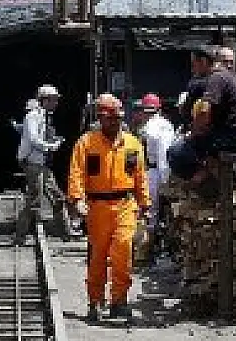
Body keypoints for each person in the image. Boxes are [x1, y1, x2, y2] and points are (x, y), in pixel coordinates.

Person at [68, 93, 150, 320]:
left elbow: (140, 176)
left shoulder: (132, 144)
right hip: (97, 207)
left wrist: (145, 203)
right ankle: (95, 301)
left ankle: (118, 301)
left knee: (123, 252)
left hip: (125, 205)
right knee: (98, 256)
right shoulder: (87, 143)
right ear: (101, 118)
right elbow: (76, 173)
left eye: (118, 118)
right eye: (110, 118)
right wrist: (77, 199)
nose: (115, 122)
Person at [168, 46, 236, 182]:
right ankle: (211, 173)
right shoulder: (229, 77)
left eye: (194, 64)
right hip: (235, 135)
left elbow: (204, 110)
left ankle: (203, 181)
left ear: (203, 61)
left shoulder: (216, 77)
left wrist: (194, 132)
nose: (192, 69)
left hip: (229, 138)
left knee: (176, 152)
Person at [16, 85, 65, 243]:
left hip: (42, 163)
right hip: (33, 162)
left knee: (57, 196)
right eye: (53, 100)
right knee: (34, 200)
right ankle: (20, 236)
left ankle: (64, 231)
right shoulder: (33, 116)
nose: (56, 103)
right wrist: (50, 146)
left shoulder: (44, 116)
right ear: (44, 100)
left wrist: (53, 140)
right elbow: (33, 139)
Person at [132, 93, 175, 258]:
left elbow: (163, 154)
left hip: (154, 171)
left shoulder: (153, 127)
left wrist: (164, 179)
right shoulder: (163, 125)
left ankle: (147, 249)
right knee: (152, 211)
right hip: (154, 171)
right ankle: (148, 248)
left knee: (150, 211)